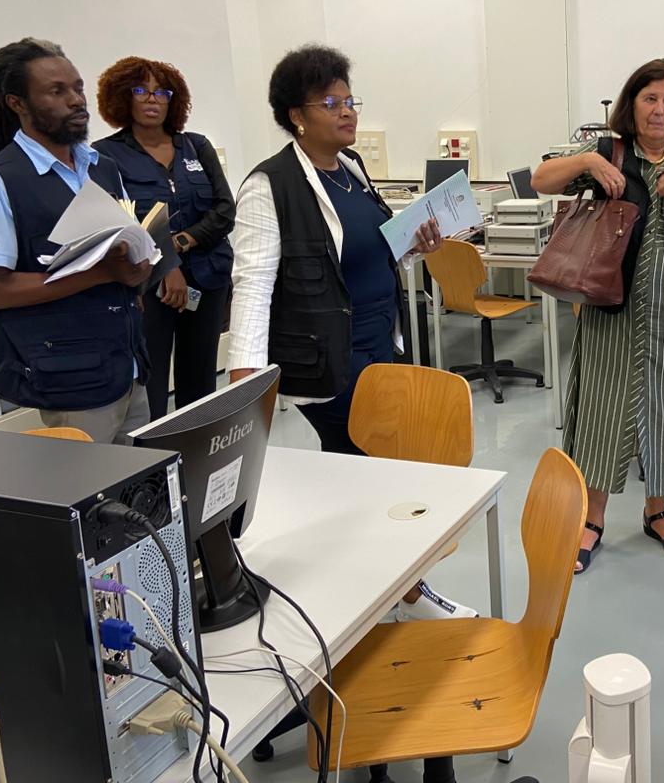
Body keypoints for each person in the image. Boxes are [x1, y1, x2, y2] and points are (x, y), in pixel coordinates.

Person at [228, 45, 459, 782]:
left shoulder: (351, 171)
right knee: (377, 481)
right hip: (328, 368)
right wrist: (245, 389)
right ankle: (385, 619)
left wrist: (415, 244)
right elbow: (252, 285)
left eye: (350, 99)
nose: (348, 111)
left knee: (375, 489)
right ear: (296, 115)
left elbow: (370, 255)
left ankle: (382, 611)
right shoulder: (269, 186)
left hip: (379, 350)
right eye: (331, 102)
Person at [531, 58, 664, 574]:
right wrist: (589, 162)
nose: (659, 110)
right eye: (650, 98)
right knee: (603, 414)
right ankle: (593, 518)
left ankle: (657, 513)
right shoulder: (608, 150)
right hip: (612, 310)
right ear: (633, 105)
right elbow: (540, 179)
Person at [0, 38, 152, 443]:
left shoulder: (102, 167)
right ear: (17, 103)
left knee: (144, 477)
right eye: (57, 91)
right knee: (90, 481)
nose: (76, 100)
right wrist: (101, 274)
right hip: (71, 377)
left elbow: (123, 249)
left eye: (78, 87)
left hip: (129, 365)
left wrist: (138, 268)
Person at [94, 56, 235, 420]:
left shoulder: (196, 146)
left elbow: (224, 210)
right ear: (123, 97)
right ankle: (156, 454)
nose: (152, 99)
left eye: (162, 92)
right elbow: (117, 224)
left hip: (208, 279)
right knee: (152, 383)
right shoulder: (106, 155)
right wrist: (167, 265)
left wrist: (181, 241)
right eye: (141, 91)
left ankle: (196, 448)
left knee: (201, 382)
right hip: (148, 286)